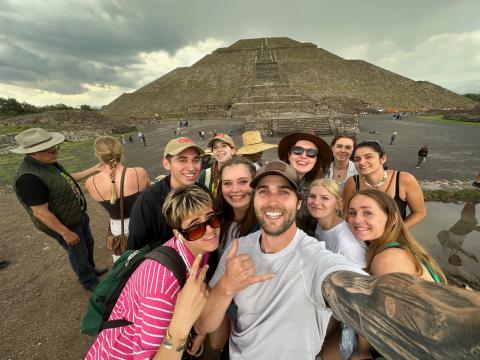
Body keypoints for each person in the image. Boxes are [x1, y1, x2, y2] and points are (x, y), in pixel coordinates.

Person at [196, 160, 364, 359]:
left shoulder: (315, 257)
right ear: (254, 200)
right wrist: (227, 286)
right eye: (264, 192)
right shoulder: (238, 248)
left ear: (299, 202)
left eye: (284, 192)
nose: (272, 201)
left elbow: (359, 289)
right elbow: (203, 325)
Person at [86, 185, 217, 359]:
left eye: (212, 219)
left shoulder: (198, 248)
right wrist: (180, 328)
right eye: (196, 227)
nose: (210, 230)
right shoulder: (160, 288)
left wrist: (198, 333)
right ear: (178, 233)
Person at [346, 188, 446, 359]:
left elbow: (392, 319)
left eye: (367, 213)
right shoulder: (399, 246)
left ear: (392, 218)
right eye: (352, 213)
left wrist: (363, 350)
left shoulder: (388, 258)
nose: (357, 219)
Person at [11, 128, 106, 291]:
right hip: (63, 223)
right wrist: (65, 232)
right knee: (78, 252)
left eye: (56, 147)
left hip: (76, 215)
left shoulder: (48, 163)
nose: (56, 152)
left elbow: (68, 178)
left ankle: (91, 270)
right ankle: (89, 281)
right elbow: (40, 212)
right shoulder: (28, 178)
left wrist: (92, 169)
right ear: (34, 152)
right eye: (51, 150)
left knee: (87, 244)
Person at [127, 137, 205, 251]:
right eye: (182, 160)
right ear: (166, 163)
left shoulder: (203, 192)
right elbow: (134, 250)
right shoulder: (148, 201)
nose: (192, 167)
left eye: (196, 160)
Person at [85, 136, 150, 261]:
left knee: (124, 264)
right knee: (148, 259)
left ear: (98, 155)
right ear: (120, 150)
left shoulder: (90, 183)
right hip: (142, 222)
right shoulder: (139, 172)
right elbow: (149, 193)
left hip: (117, 229)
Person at [343, 140, 426, 228]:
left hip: (393, 239)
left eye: (368, 157)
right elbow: (346, 213)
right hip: (362, 238)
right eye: (357, 159)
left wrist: (397, 232)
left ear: (383, 159)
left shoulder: (404, 180)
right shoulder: (352, 182)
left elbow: (419, 212)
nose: (361, 162)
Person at [277, 132, 333, 236]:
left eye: (311, 153)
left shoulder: (316, 187)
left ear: (316, 160)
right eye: (298, 151)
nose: (303, 156)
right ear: (289, 155)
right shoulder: (273, 181)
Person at [307, 179, 366, 269]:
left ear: (338, 204)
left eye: (324, 198)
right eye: (312, 196)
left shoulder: (348, 246)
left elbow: (361, 279)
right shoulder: (321, 223)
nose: (316, 202)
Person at [215, 157, 258, 256]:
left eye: (242, 181)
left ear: (255, 183)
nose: (235, 189)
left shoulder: (267, 225)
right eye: (227, 183)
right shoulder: (214, 218)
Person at [198, 133, 237, 198]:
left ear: (233, 150)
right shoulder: (205, 175)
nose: (219, 150)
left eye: (224, 146)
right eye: (215, 147)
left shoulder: (244, 173)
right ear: (213, 152)